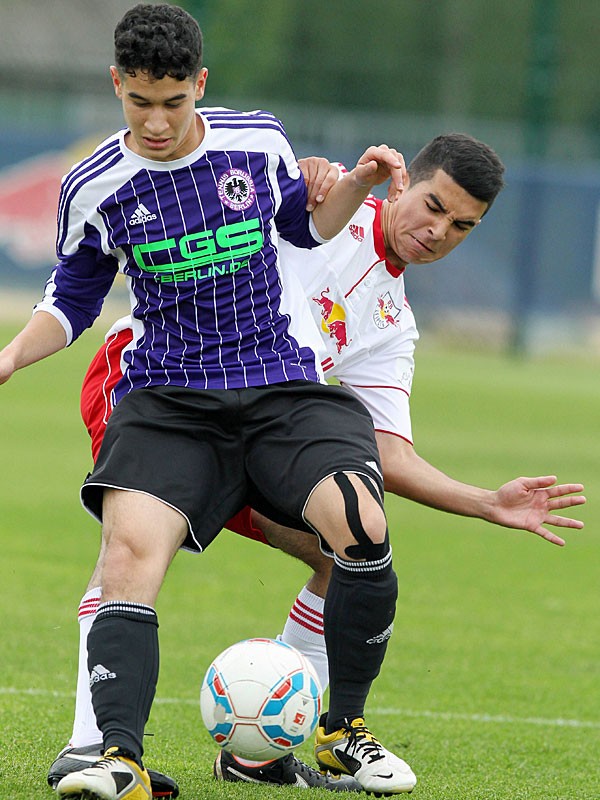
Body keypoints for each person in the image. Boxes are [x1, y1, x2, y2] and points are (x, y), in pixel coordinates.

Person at [47, 134, 586, 792]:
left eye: (462, 226)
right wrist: (305, 176)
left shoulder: (392, 322)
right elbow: (235, 179)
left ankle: (257, 748)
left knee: (345, 553)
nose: (439, 230)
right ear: (403, 184)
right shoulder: (326, 204)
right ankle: (90, 746)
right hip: (153, 382)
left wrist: (485, 502)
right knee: (130, 550)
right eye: (433, 205)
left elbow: (389, 453)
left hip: (257, 428)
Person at [0, 2, 418, 798]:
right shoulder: (94, 186)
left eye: (173, 102)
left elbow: (303, 229)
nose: (156, 122)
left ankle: (340, 736)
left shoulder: (255, 140)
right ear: (116, 85)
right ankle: (114, 758)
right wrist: (15, 355)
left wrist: (358, 183)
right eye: (139, 102)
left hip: (278, 386)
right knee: (127, 555)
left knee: (361, 524)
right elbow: (72, 299)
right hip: (169, 398)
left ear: (200, 85)